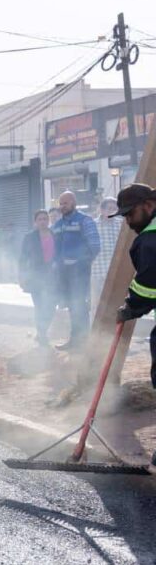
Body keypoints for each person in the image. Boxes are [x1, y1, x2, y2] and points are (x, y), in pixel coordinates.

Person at [112, 185, 156, 458]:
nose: (128, 221)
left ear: (149, 205)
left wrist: (131, 306)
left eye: (130, 213)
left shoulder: (150, 240)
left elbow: (150, 284)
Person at [52, 190, 100, 350]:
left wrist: (82, 263)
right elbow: (54, 248)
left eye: (65, 203)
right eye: (60, 203)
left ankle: (83, 342)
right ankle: (75, 340)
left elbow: (94, 245)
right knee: (72, 305)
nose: (62, 206)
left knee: (79, 305)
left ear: (73, 203)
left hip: (78, 272)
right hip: (63, 273)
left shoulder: (84, 221)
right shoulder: (58, 225)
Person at [19, 210, 57, 346]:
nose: (43, 222)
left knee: (52, 305)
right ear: (35, 222)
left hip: (52, 276)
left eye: (45, 219)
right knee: (40, 306)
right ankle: (41, 334)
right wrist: (21, 276)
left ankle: (43, 330)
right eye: (40, 219)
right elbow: (22, 259)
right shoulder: (29, 237)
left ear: (49, 221)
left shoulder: (55, 234)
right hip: (35, 276)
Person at [91, 197, 121, 311]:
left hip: (115, 273)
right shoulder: (92, 225)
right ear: (102, 210)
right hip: (97, 272)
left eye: (115, 209)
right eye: (109, 208)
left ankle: (111, 328)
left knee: (115, 305)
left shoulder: (121, 225)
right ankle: (95, 328)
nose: (112, 211)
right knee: (97, 305)